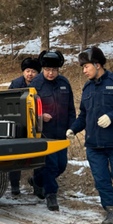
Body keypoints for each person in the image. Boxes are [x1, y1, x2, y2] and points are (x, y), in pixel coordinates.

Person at [67, 46, 113, 224]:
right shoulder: (87, 88)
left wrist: (111, 117)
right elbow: (84, 114)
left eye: (86, 67)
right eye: (82, 68)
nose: (84, 71)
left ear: (97, 65)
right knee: (101, 179)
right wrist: (73, 129)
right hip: (94, 144)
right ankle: (111, 209)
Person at [28, 50, 75, 211]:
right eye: (48, 70)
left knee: (61, 165)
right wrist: (40, 117)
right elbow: (28, 111)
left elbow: (70, 108)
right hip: (44, 133)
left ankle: (37, 181)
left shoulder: (64, 83)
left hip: (61, 132)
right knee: (51, 166)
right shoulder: (36, 84)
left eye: (54, 70)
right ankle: (51, 195)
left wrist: (72, 128)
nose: (51, 73)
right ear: (43, 68)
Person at [7, 57, 42, 196]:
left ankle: (37, 185)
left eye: (33, 71)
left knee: (39, 155)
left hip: (36, 123)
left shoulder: (41, 84)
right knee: (16, 155)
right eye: (27, 71)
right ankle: (15, 185)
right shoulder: (16, 83)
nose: (30, 74)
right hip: (19, 122)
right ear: (23, 72)